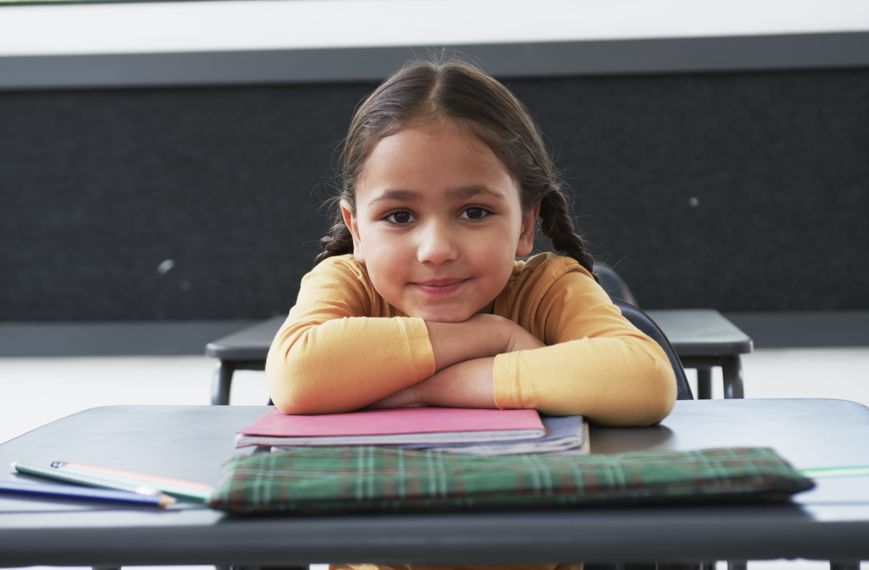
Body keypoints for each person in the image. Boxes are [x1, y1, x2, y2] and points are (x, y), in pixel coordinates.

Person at [266, 58, 676, 428]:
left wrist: (431, 389)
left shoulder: (551, 288)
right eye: (399, 216)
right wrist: (490, 336)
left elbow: (646, 381)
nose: (436, 250)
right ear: (356, 230)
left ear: (524, 225)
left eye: (474, 212)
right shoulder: (346, 282)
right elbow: (297, 376)